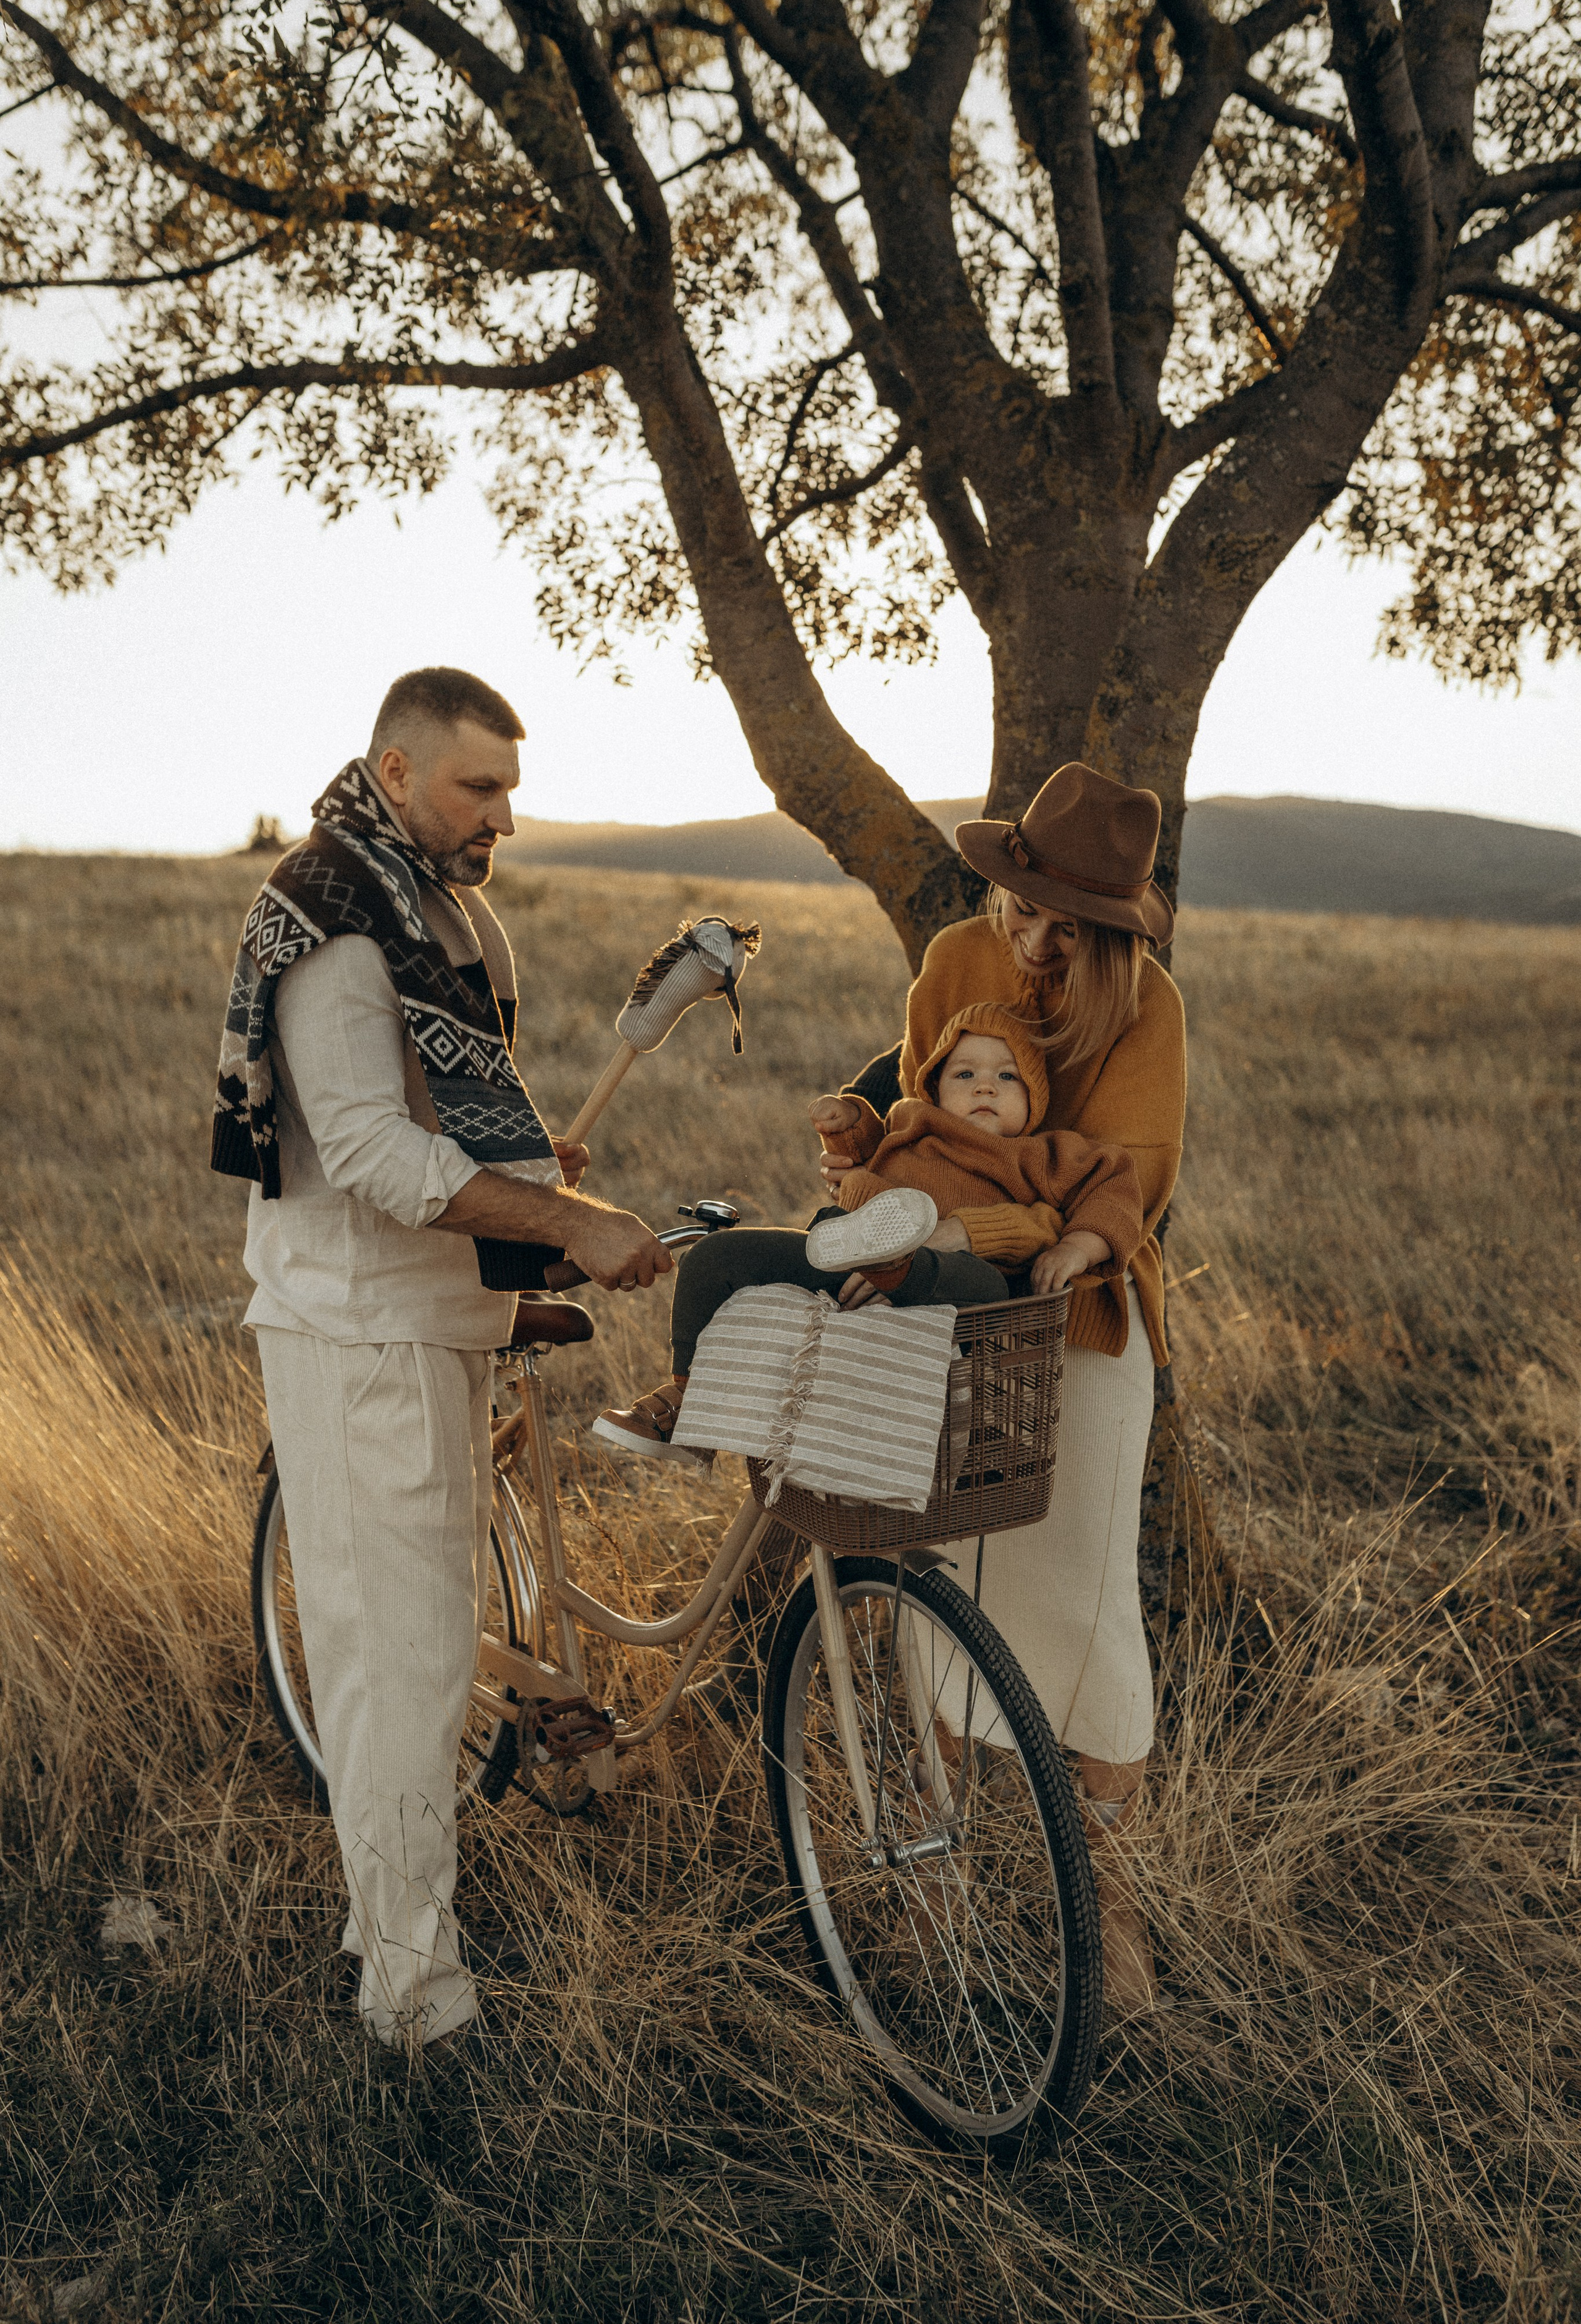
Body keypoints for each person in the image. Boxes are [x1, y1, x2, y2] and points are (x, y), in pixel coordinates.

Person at [211, 666, 674, 2050]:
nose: (504, 818)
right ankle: (413, 2006)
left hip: (426, 1321)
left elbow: (434, 1123)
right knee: (399, 1670)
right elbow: (360, 1150)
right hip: (361, 1337)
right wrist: (569, 1219)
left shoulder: (427, 904)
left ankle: (386, 1945)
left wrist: (532, 1168)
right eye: (479, 787)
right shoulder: (340, 918)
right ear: (398, 773)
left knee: (403, 1659)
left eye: (512, 791)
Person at [824, 764, 1187, 2016]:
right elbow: (927, 1118)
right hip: (941, 1312)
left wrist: (1015, 1226)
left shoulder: (1148, 1014)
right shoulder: (947, 967)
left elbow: (1126, 1187)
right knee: (932, 1584)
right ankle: (933, 1886)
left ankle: (1111, 1909)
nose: (1033, 940)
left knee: (1086, 1607)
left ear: (1113, 934)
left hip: (1076, 1328)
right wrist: (867, 1157)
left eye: (1068, 928)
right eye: (1021, 907)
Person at [590, 1003, 1142, 1457]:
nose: (984, 1089)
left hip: (955, 1291)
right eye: (965, 1074)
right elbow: (862, 1160)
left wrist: (1076, 1245)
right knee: (716, 1256)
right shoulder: (911, 1126)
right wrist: (847, 1125)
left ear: (1036, 1096)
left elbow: (1116, 1188)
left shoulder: (1044, 1154)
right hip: (848, 1263)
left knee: (978, 1282)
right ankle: (690, 1405)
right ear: (935, 1088)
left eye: (1007, 1076)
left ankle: (892, 1261)